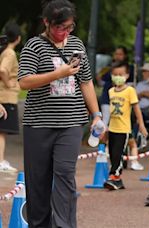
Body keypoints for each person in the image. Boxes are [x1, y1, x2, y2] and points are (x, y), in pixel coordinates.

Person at [17, 1, 104, 227]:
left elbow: (85, 82)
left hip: (71, 123)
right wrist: (59, 73)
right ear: (46, 23)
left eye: (69, 27)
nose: (64, 32)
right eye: (59, 27)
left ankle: (65, 225)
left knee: (65, 174)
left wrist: (97, 115)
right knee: (38, 182)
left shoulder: (76, 45)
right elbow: (24, 81)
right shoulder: (34, 46)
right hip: (39, 124)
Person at [103, 61, 147, 190]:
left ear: (127, 75)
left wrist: (141, 125)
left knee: (118, 153)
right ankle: (118, 179)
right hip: (112, 128)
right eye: (115, 74)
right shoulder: (111, 91)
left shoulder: (130, 91)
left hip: (124, 129)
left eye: (120, 74)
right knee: (112, 153)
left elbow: (136, 108)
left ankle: (114, 176)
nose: (117, 76)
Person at [0, 22, 21, 172]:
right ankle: (0, 160)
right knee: (2, 131)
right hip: (5, 97)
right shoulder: (10, 53)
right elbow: (2, 70)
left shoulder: (5, 51)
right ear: (18, 38)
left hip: (5, 97)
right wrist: (9, 83)